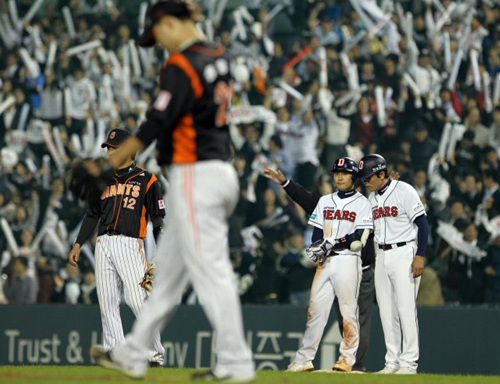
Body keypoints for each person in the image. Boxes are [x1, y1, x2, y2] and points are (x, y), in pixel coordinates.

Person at [90, 1, 255, 381]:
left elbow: (155, 123)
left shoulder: (182, 64)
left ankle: (236, 362)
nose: (159, 43)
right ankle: (134, 352)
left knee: (212, 272)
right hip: (216, 171)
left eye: (157, 34)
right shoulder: (221, 55)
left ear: (167, 22)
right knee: (166, 277)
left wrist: (108, 165)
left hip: (195, 176)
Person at [69, 128, 166, 367]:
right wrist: (79, 243)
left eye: (114, 148)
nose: (110, 152)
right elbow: (92, 214)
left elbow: (158, 219)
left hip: (130, 242)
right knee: (108, 301)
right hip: (103, 242)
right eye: (109, 148)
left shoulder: (148, 179)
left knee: (136, 299)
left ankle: (155, 354)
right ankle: (115, 352)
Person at [264, 166, 376, 372]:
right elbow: (317, 231)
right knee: (315, 311)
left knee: (348, 311)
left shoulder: (362, 203)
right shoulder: (325, 201)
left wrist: (331, 242)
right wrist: (318, 246)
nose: (340, 176)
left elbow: (359, 238)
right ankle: (304, 358)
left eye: (345, 173)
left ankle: (348, 359)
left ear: (354, 178)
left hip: (348, 260)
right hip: (325, 262)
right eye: (337, 173)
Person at [357, 154, 429, 375]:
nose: (366, 182)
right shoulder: (371, 199)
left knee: (406, 310)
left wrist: (420, 255)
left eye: (369, 177)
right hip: (382, 255)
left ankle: (409, 363)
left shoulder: (405, 190)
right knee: (387, 312)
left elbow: (423, 224)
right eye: (364, 178)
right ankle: (392, 362)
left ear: (381, 174)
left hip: (404, 252)